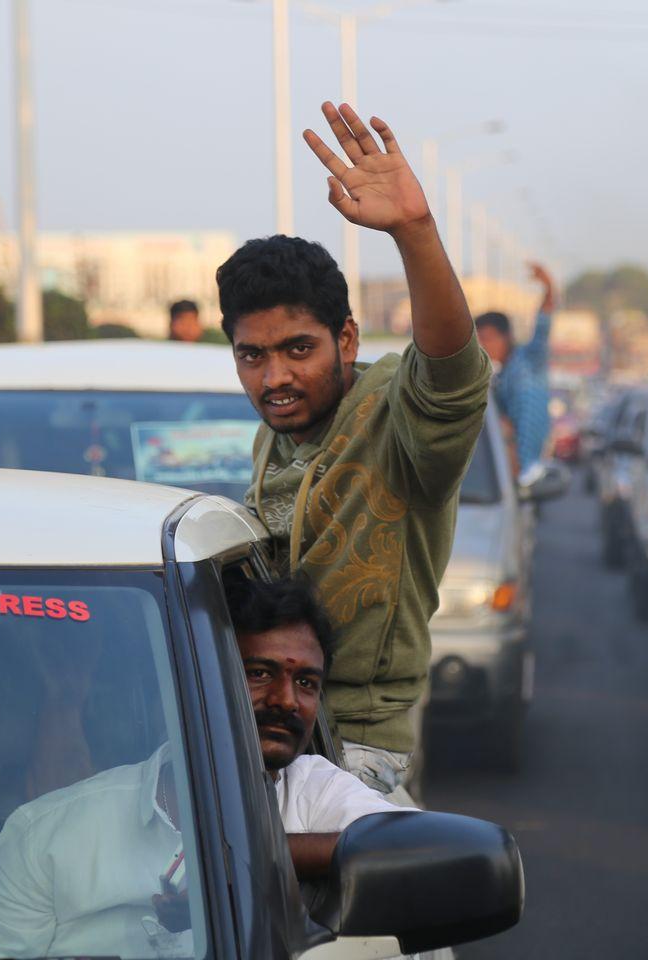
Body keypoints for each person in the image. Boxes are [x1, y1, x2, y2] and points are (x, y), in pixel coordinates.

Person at [217, 102, 489, 800]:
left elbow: (452, 378)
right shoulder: (273, 436)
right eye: (252, 356)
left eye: (296, 350)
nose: (274, 377)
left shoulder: (393, 422)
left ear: (345, 339)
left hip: (358, 752)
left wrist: (415, 233)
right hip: (255, 739)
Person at [0, 578, 404, 960]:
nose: (286, 700)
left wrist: (251, 860)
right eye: (260, 673)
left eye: (306, 682)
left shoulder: (316, 794)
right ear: (203, 677)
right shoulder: (48, 833)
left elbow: (410, 856)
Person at [476, 262, 557, 476]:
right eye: (479, 340)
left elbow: (542, 325)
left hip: (532, 472)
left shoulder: (529, 360)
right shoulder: (499, 380)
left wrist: (548, 287)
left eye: (488, 338)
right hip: (509, 475)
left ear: (507, 336)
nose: (483, 346)